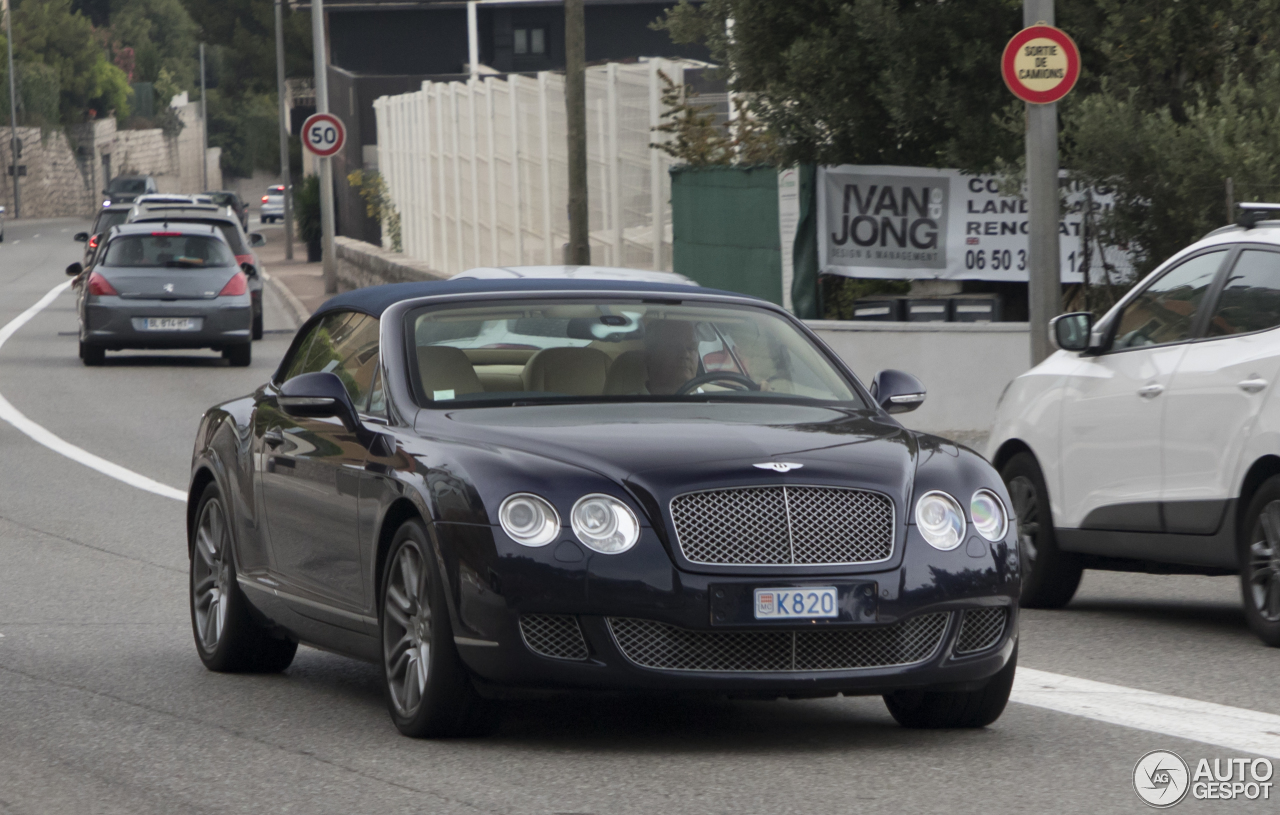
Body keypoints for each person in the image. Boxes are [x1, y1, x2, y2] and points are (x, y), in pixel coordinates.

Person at [643, 320, 699, 394]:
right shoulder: (627, 403)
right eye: (675, 347)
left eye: (691, 347)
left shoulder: (711, 399)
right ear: (650, 356)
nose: (685, 354)